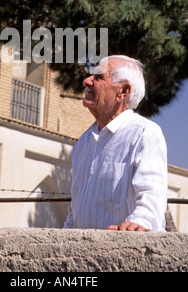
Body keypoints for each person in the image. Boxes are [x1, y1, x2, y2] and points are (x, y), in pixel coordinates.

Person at [63, 55, 167, 232]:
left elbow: (151, 197)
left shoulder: (144, 134)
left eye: (99, 77)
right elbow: (77, 210)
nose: (86, 81)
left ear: (123, 91)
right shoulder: (83, 143)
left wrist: (140, 222)